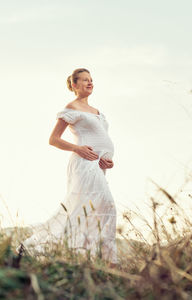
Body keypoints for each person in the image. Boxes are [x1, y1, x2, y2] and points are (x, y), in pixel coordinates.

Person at [17, 68, 118, 267]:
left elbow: (101, 140)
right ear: (74, 85)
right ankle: (108, 261)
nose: (90, 83)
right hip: (83, 164)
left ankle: (89, 260)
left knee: (90, 211)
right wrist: (78, 148)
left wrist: (107, 160)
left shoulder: (97, 111)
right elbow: (53, 139)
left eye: (91, 80)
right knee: (107, 206)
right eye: (84, 80)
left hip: (97, 166)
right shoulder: (71, 108)